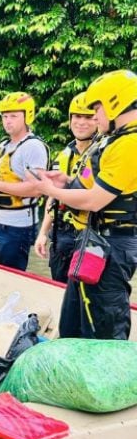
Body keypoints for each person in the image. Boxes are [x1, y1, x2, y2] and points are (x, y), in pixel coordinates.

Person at [33, 70, 137, 340]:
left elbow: (94, 200)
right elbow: (95, 186)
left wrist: (51, 190)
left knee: (104, 326)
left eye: (97, 109)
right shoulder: (115, 140)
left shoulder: (130, 144)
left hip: (112, 246)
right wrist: (66, 180)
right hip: (94, 242)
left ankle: (109, 378)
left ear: (115, 103)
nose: (95, 117)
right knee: (74, 321)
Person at [0, 91, 50, 271]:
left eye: (14, 116)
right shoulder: (4, 145)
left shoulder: (33, 147)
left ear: (27, 117)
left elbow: (38, 189)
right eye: (5, 116)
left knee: (10, 279)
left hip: (16, 229)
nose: (8, 121)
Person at [34, 93, 97, 282]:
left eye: (88, 117)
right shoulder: (64, 155)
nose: (81, 122)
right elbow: (53, 197)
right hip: (61, 232)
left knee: (84, 292)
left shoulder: (102, 154)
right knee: (59, 285)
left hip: (89, 233)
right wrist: (43, 233)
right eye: (77, 116)